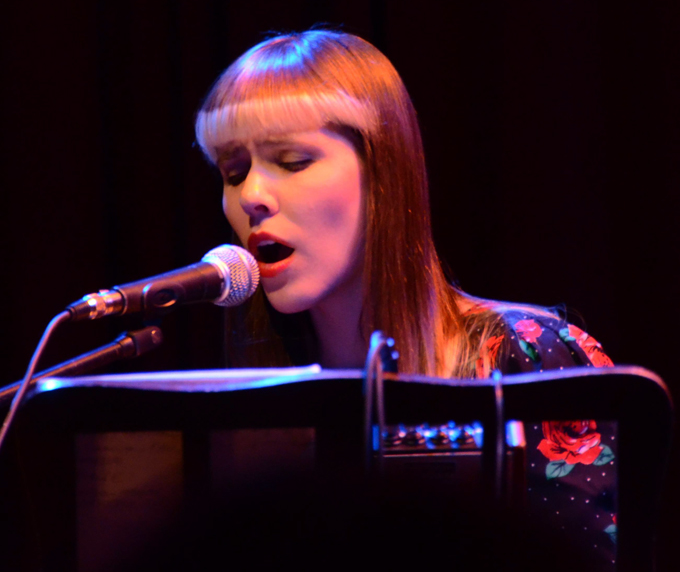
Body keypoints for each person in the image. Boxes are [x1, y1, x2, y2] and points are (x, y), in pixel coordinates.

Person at [195, 29, 616, 563]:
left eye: (293, 161)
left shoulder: (530, 357)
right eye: (234, 173)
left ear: (383, 176)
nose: (251, 196)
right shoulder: (257, 394)